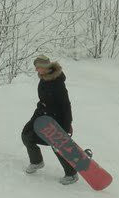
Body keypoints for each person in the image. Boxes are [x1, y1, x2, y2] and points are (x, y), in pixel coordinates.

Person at [21, 55, 77, 185]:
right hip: (41, 114)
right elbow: (44, 99)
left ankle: (71, 174)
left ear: (45, 67)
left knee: (58, 145)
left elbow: (66, 105)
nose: (36, 70)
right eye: (36, 67)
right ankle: (36, 162)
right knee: (26, 134)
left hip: (56, 118)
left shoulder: (58, 83)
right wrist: (41, 106)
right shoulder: (43, 79)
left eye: (38, 67)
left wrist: (68, 124)